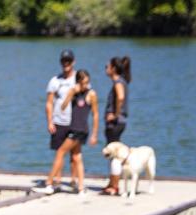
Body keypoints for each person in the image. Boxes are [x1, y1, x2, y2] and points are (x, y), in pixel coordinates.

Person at [41, 70, 98, 195]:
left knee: (61, 152)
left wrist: (94, 134)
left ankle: (49, 183)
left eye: (87, 82)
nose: (86, 86)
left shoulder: (91, 94)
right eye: (83, 83)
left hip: (80, 130)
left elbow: (95, 114)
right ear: (77, 82)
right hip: (74, 128)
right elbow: (63, 107)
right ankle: (81, 188)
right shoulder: (74, 93)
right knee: (77, 157)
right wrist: (71, 93)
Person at [34, 50, 78, 194]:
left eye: (69, 61)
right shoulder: (55, 81)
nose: (66, 64)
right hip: (59, 121)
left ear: (73, 62)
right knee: (59, 152)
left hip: (74, 121)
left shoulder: (79, 78)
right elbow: (49, 103)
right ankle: (57, 181)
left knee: (75, 153)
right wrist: (49, 121)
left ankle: (74, 180)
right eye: (63, 61)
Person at [101, 55, 131, 196]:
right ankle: (112, 182)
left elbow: (120, 97)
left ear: (113, 69)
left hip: (115, 123)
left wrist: (115, 114)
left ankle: (114, 186)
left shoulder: (118, 82)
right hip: (119, 122)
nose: (105, 69)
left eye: (107, 66)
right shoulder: (121, 81)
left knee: (113, 153)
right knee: (113, 153)